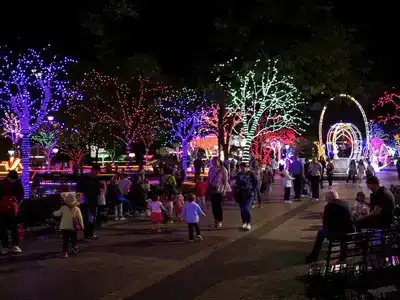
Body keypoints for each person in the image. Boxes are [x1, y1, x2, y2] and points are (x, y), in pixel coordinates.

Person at [306, 190, 354, 263]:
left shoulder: (329, 206)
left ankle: (314, 256)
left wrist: (324, 217)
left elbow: (326, 225)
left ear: (328, 199)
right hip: (351, 231)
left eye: (326, 199)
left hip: (338, 233)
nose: (326, 200)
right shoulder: (345, 203)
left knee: (320, 233)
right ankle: (343, 254)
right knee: (343, 229)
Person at [53, 193, 84, 258]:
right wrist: (82, 225)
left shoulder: (63, 208)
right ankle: (74, 247)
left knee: (65, 240)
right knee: (74, 238)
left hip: (65, 227)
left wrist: (54, 212)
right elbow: (80, 218)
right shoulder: (76, 208)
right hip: (73, 227)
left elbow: (57, 214)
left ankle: (65, 253)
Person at [0, 170, 23, 254]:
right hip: (12, 209)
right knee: (13, 228)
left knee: (3, 229)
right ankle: (14, 245)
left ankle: (5, 246)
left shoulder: (2, 183)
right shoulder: (17, 184)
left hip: (3, 209)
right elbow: (21, 194)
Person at [75, 164, 101, 240]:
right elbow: (78, 188)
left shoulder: (96, 179)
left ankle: (91, 233)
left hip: (93, 201)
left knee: (92, 218)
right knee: (86, 217)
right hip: (85, 200)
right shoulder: (83, 178)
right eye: (96, 172)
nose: (97, 174)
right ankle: (87, 235)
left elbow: (97, 191)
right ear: (93, 170)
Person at [235, 162, 258, 230]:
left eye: (243, 168)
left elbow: (255, 182)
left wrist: (253, 190)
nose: (242, 169)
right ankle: (244, 222)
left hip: (249, 193)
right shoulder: (239, 174)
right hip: (241, 193)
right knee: (242, 208)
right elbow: (237, 182)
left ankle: (248, 223)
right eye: (241, 168)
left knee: (246, 207)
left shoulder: (251, 174)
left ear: (246, 167)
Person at [208, 157, 229, 228]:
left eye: (215, 161)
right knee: (213, 207)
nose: (214, 163)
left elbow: (225, 180)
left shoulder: (223, 169)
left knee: (218, 207)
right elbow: (209, 179)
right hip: (212, 189)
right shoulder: (211, 169)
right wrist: (208, 188)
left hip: (219, 190)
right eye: (213, 161)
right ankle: (215, 221)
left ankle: (220, 221)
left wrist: (224, 190)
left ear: (219, 161)